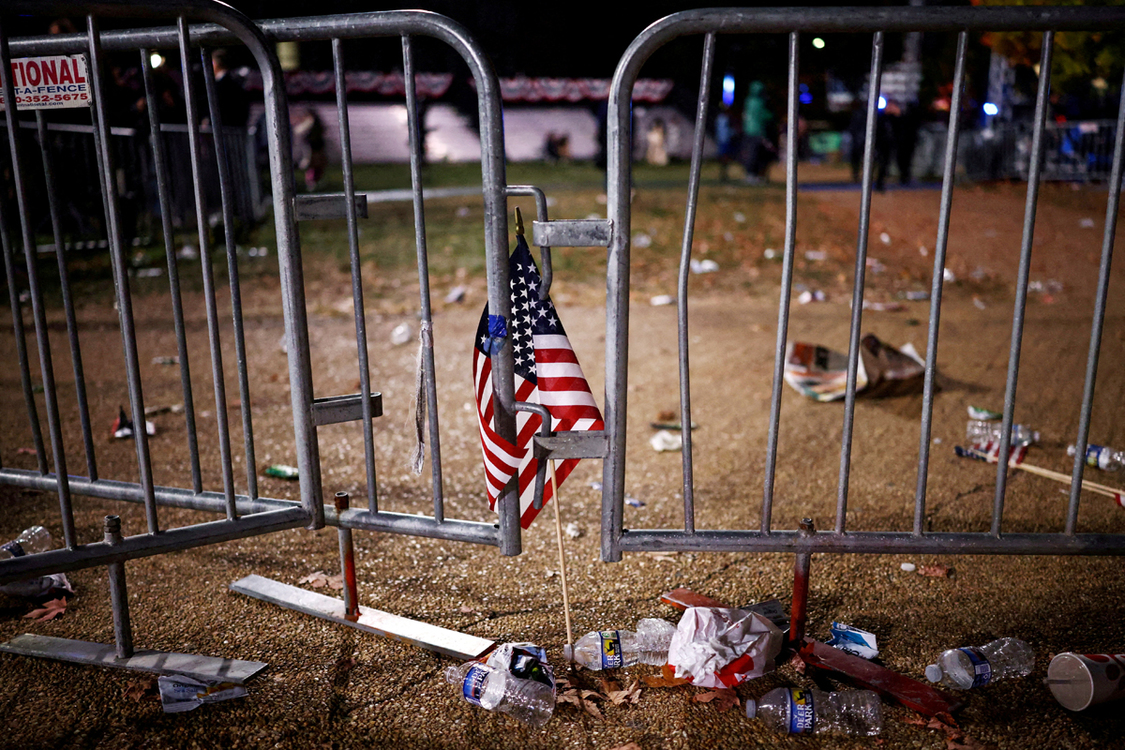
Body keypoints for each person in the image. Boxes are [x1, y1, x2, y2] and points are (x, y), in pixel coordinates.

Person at [740, 80, 774, 184]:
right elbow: (764, 117)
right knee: (757, 154)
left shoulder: (748, 101)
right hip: (757, 132)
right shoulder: (759, 102)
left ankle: (750, 174)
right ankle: (754, 175)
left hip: (747, 132)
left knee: (750, 154)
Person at [715, 103, 737, 182]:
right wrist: (733, 133)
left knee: (724, 157)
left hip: (722, 140)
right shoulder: (725, 118)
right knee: (725, 157)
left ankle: (724, 173)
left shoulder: (720, 118)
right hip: (724, 140)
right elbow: (727, 130)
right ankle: (723, 173)